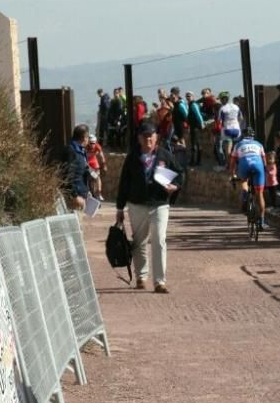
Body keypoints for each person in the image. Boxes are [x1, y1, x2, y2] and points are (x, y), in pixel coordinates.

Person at [115, 122, 183, 294]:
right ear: (139, 138)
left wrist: (175, 186)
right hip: (136, 204)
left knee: (159, 240)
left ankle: (160, 282)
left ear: (156, 137)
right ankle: (141, 276)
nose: (148, 139)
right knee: (139, 241)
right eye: (144, 136)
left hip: (159, 204)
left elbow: (180, 173)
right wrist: (119, 208)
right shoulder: (132, 158)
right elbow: (124, 183)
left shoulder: (165, 155)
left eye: (151, 135)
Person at [231, 128, 268, 230]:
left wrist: (233, 174)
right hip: (258, 165)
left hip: (244, 165)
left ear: (243, 135)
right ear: (253, 136)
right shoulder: (259, 144)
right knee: (259, 194)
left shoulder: (238, 145)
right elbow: (264, 161)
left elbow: (233, 162)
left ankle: (245, 196)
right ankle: (262, 221)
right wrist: (264, 172)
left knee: (244, 181)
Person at [62, 124, 92, 209]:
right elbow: (67, 176)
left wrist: (87, 191)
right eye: (88, 137)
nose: (88, 140)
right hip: (74, 199)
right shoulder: (71, 151)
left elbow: (82, 173)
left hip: (81, 196)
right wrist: (74, 196)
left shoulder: (81, 151)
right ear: (84, 138)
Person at [218, 92, 243, 161]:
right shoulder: (236, 106)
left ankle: (229, 165)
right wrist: (237, 124)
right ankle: (238, 164)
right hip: (237, 130)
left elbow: (219, 121)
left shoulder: (222, 108)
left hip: (227, 130)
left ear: (222, 99)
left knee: (228, 149)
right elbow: (241, 118)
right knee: (237, 148)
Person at [85, 133, 107, 200]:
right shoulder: (85, 146)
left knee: (97, 177)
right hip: (86, 163)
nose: (92, 145)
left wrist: (104, 165)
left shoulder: (97, 146)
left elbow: (102, 156)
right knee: (86, 178)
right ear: (88, 142)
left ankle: (99, 193)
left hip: (93, 162)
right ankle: (87, 192)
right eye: (91, 143)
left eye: (94, 143)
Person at [185, 91, 205, 165]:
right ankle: (194, 161)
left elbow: (198, 114)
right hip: (193, 127)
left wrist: (202, 123)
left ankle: (197, 161)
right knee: (194, 144)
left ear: (193, 97)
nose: (188, 97)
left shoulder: (193, 104)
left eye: (189, 96)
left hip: (196, 127)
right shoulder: (190, 105)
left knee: (196, 144)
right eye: (187, 96)